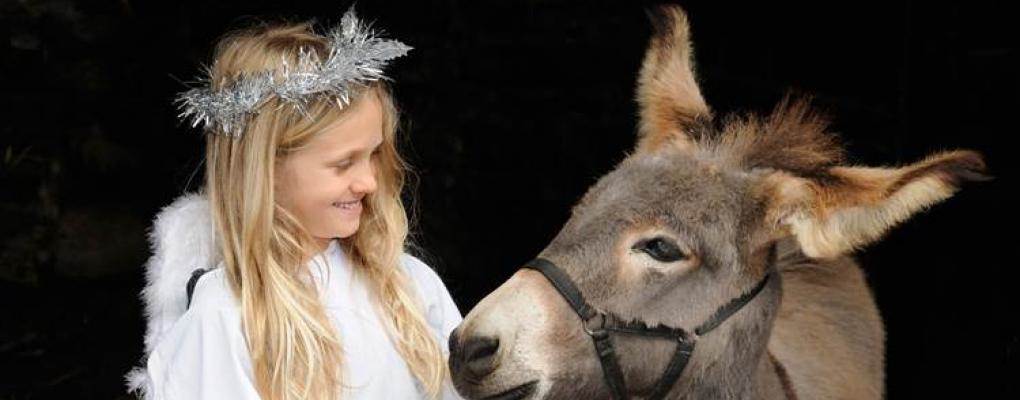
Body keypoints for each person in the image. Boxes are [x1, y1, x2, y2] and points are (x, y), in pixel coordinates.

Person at [124, 9, 463, 399]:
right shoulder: (228, 317)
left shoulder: (407, 284)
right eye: (342, 164)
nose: (369, 181)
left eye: (374, 155)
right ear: (265, 169)